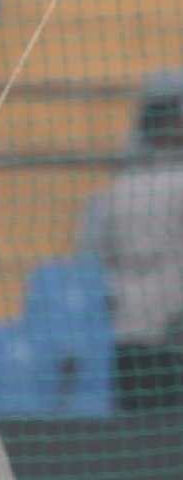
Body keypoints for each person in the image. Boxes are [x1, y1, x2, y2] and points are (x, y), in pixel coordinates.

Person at [78, 71, 183, 410]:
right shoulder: (119, 189)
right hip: (158, 327)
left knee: (141, 415)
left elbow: (92, 252)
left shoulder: (116, 188)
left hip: (134, 324)